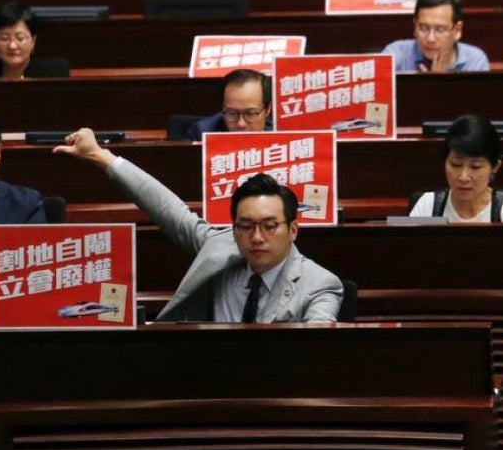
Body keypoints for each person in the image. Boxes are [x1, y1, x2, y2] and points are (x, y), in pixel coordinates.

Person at [53, 128, 343, 323]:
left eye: (269, 226)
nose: (257, 237)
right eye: (245, 226)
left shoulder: (320, 285)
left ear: (293, 230)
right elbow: (169, 210)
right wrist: (101, 156)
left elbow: (316, 349)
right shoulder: (221, 246)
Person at [409, 114, 502, 222]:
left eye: (475, 167)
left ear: (495, 167)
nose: (463, 177)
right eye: (455, 165)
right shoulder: (427, 206)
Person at [382, 0, 489, 73]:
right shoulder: (395, 53)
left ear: (457, 30)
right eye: (423, 28)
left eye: (440, 29)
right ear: (415, 26)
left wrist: (437, 83)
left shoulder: (475, 61)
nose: (430, 39)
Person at [0, 1, 69, 79]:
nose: (12, 46)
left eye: (20, 38)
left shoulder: (55, 73)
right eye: (4, 38)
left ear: (33, 41)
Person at [168, 68, 273, 141]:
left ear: (267, 109)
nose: (241, 124)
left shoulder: (279, 133)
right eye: (232, 113)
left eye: (250, 114)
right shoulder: (202, 134)